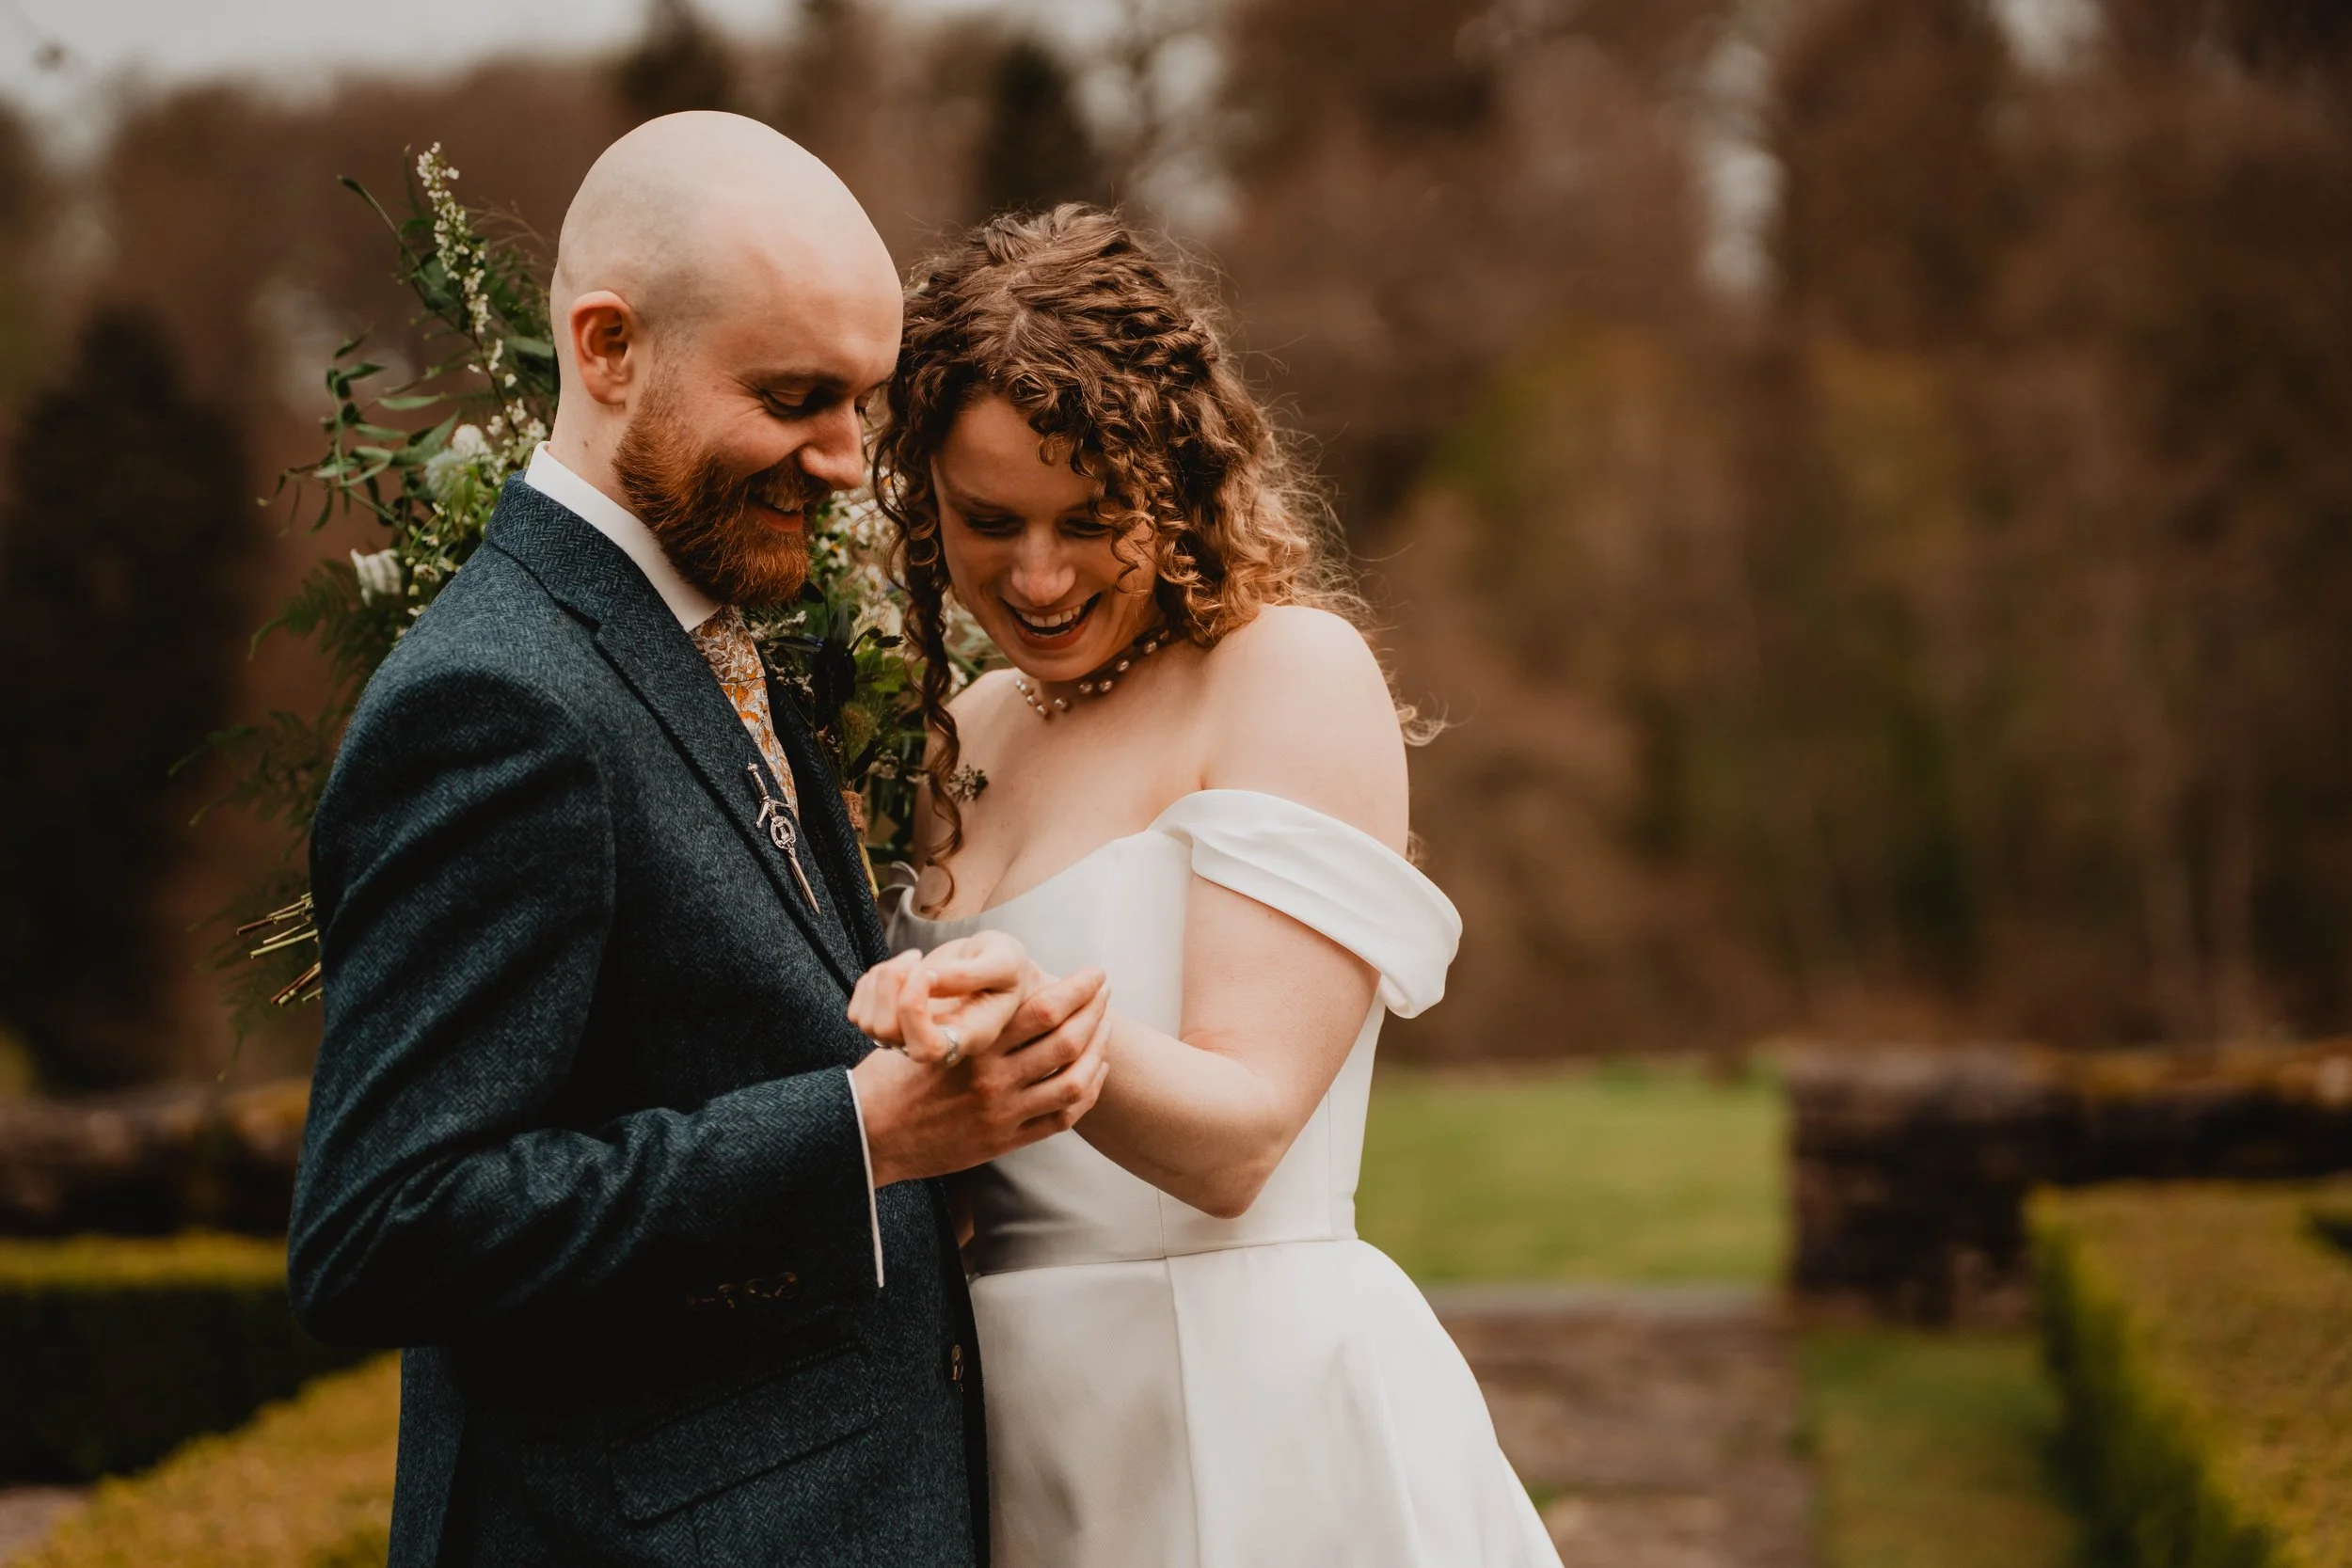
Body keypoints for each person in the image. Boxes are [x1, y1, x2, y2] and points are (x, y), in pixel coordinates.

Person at [286, 113, 1110, 1567]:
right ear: (607, 347)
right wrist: (861, 1134)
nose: (847, 460)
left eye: (861, 401)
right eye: (796, 397)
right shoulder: (500, 700)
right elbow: (386, 1227)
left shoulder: (702, 637)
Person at [850, 205, 1563, 1567]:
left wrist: (1032, 1015)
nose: (1038, 576)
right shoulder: (968, 733)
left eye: (1090, 521)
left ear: (1176, 486)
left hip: (1245, 1412)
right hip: (1016, 1435)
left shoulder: (1282, 672)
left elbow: (1244, 1140)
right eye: (988, 520)